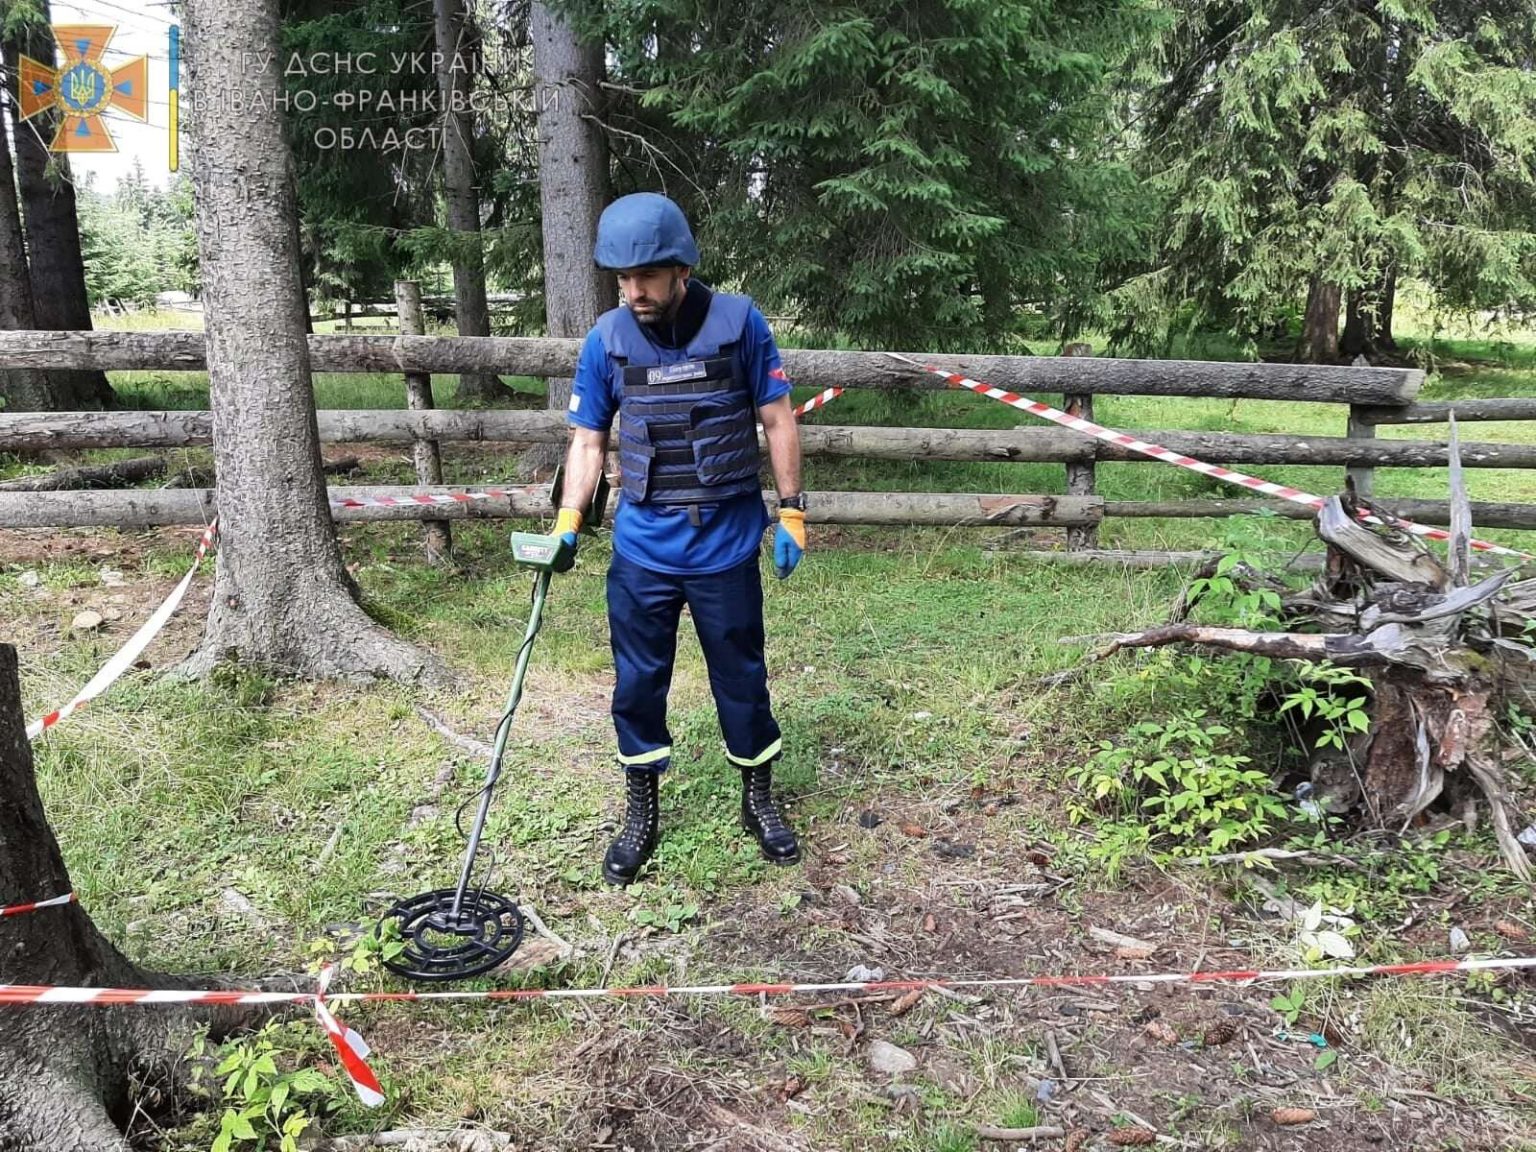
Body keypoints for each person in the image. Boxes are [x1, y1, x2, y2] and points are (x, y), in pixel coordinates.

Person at [549, 192, 808, 886]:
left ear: (681, 269)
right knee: (637, 684)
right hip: (642, 553)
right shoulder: (606, 339)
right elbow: (587, 439)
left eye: (647, 277)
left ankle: (758, 796)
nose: (634, 291)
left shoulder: (740, 323)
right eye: (622, 278)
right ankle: (641, 805)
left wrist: (792, 511)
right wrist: (570, 521)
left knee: (742, 680)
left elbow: (779, 419)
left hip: (724, 547)